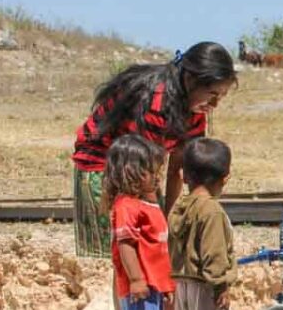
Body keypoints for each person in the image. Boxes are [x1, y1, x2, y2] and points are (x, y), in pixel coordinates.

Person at [72, 41, 237, 258]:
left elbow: (179, 168)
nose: (215, 104)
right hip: (102, 167)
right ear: (190, 80)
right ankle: (128, 292)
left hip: (140, 169)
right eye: (212, 94)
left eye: (221, 97)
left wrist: (170, 219)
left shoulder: (195, 111)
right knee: (128, 247)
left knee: (153, 239)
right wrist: (159, 226)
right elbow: (143, 170)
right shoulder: (155, 103)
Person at [103, 135, 175, 310]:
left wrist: (164, 284)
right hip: (141, 288)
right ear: (132, 173)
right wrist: (136, 280)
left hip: (152, 285)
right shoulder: (127, 206)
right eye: (152, 172)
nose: (157, 177)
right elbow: (126, 245)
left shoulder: (145, 205)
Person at [169, 137, 236, 310]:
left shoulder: (179, 206)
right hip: (206, 289)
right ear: (225, 178)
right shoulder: (212, 211)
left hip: (182, 284)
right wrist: (220, 287)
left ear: (184, 176)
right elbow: (213, 253)